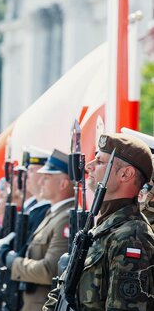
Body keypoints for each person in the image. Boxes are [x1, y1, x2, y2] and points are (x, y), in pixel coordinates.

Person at [43, 133, 154, 310]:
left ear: (125, 174)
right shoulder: (100, 227)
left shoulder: (132, 236)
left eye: (100, 162)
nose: (89, 166)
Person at [0, 149, 74, 311]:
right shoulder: (52, 214)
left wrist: (12, 261)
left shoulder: (66, 218)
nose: (40, 182)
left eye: (47, 178)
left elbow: (49, 270)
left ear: (63, 183)